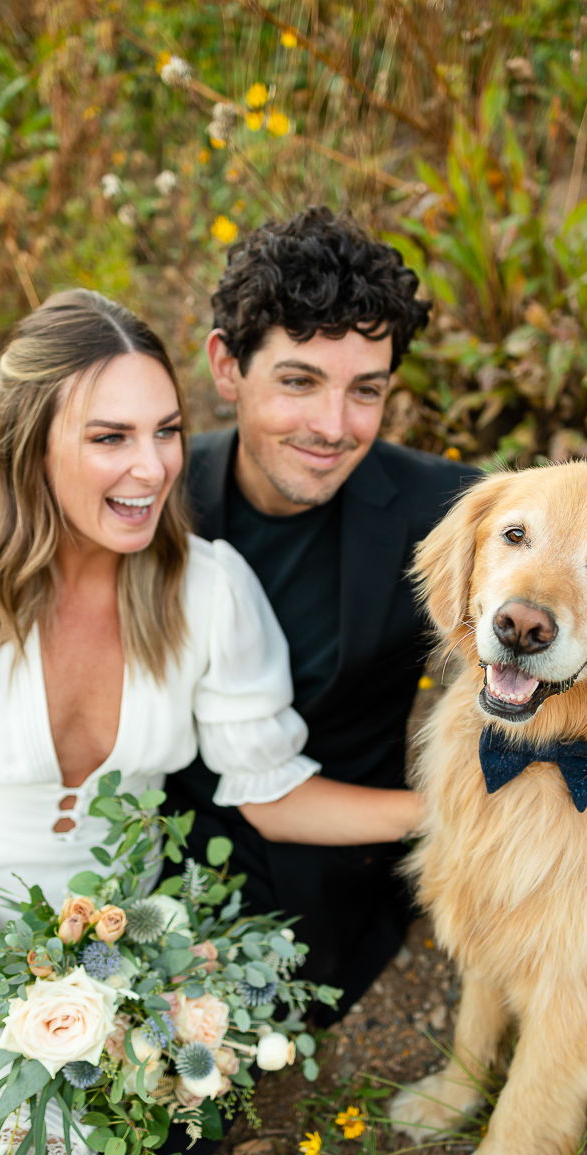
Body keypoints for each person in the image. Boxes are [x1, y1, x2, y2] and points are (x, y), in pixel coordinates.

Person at [0, 289, 423, 1155]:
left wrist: (450, 813)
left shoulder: (208, 591)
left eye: (167, 431)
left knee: (150, 1134)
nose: (152, 469)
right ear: (29, 442)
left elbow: (268, 790)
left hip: (109, 949)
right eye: (109, 437)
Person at [164, 206, 480, 1016]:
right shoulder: (156, 496)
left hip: (321, 865)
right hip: (145, 841)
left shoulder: (443, 510)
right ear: (226, 367)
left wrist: (475, 814)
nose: (334, 428)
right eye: (299, 381)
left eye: (364, 392)